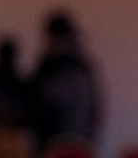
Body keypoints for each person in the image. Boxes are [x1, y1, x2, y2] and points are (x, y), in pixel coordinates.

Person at [30, 12, 102, 149]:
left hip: (75, 138)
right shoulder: (46, 67)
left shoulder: (78, 68)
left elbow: (92, 108)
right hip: (51, 140)